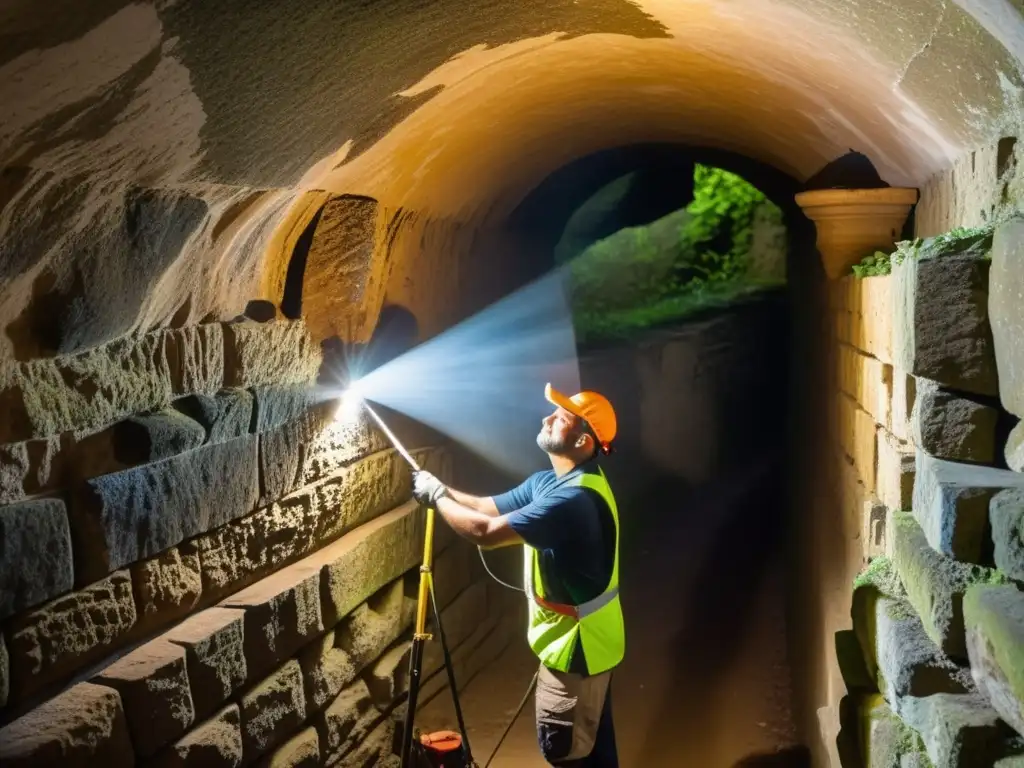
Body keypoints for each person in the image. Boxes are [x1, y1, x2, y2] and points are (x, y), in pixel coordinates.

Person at [411, 382, 624, 767]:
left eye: (560, 419)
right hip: (589, 638)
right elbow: (485, 508)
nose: (547, 418)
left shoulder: (573, 500)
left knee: (570, 751)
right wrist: (441, 487)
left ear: (582, 442)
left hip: (579, 648)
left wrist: (437, 497)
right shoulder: (549, 482)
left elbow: (485, 533)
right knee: (593, 745)